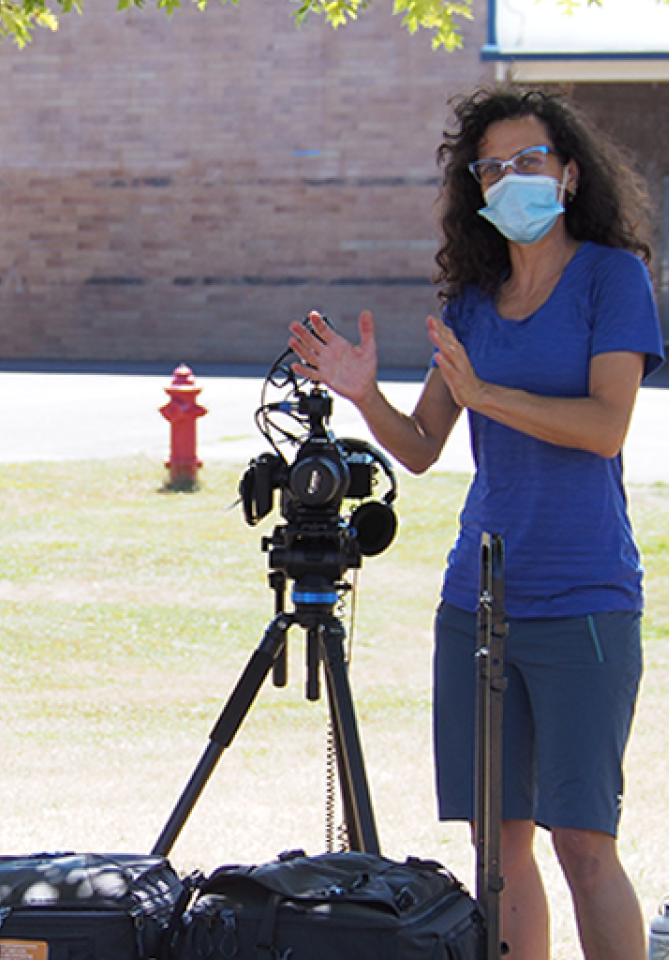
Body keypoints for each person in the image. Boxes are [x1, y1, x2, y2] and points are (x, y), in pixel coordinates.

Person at [286, 88, 662, 960]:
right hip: (478, 603)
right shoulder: (471, 303)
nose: (509, 179)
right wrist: (362, 392)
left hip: (584, 603)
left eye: (529, 161)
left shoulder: (612, 277)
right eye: (490, 168)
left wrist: (488, 392)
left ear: (569, 175)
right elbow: (419, 447)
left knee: (584, 845)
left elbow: (606, 426)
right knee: (498, 848)